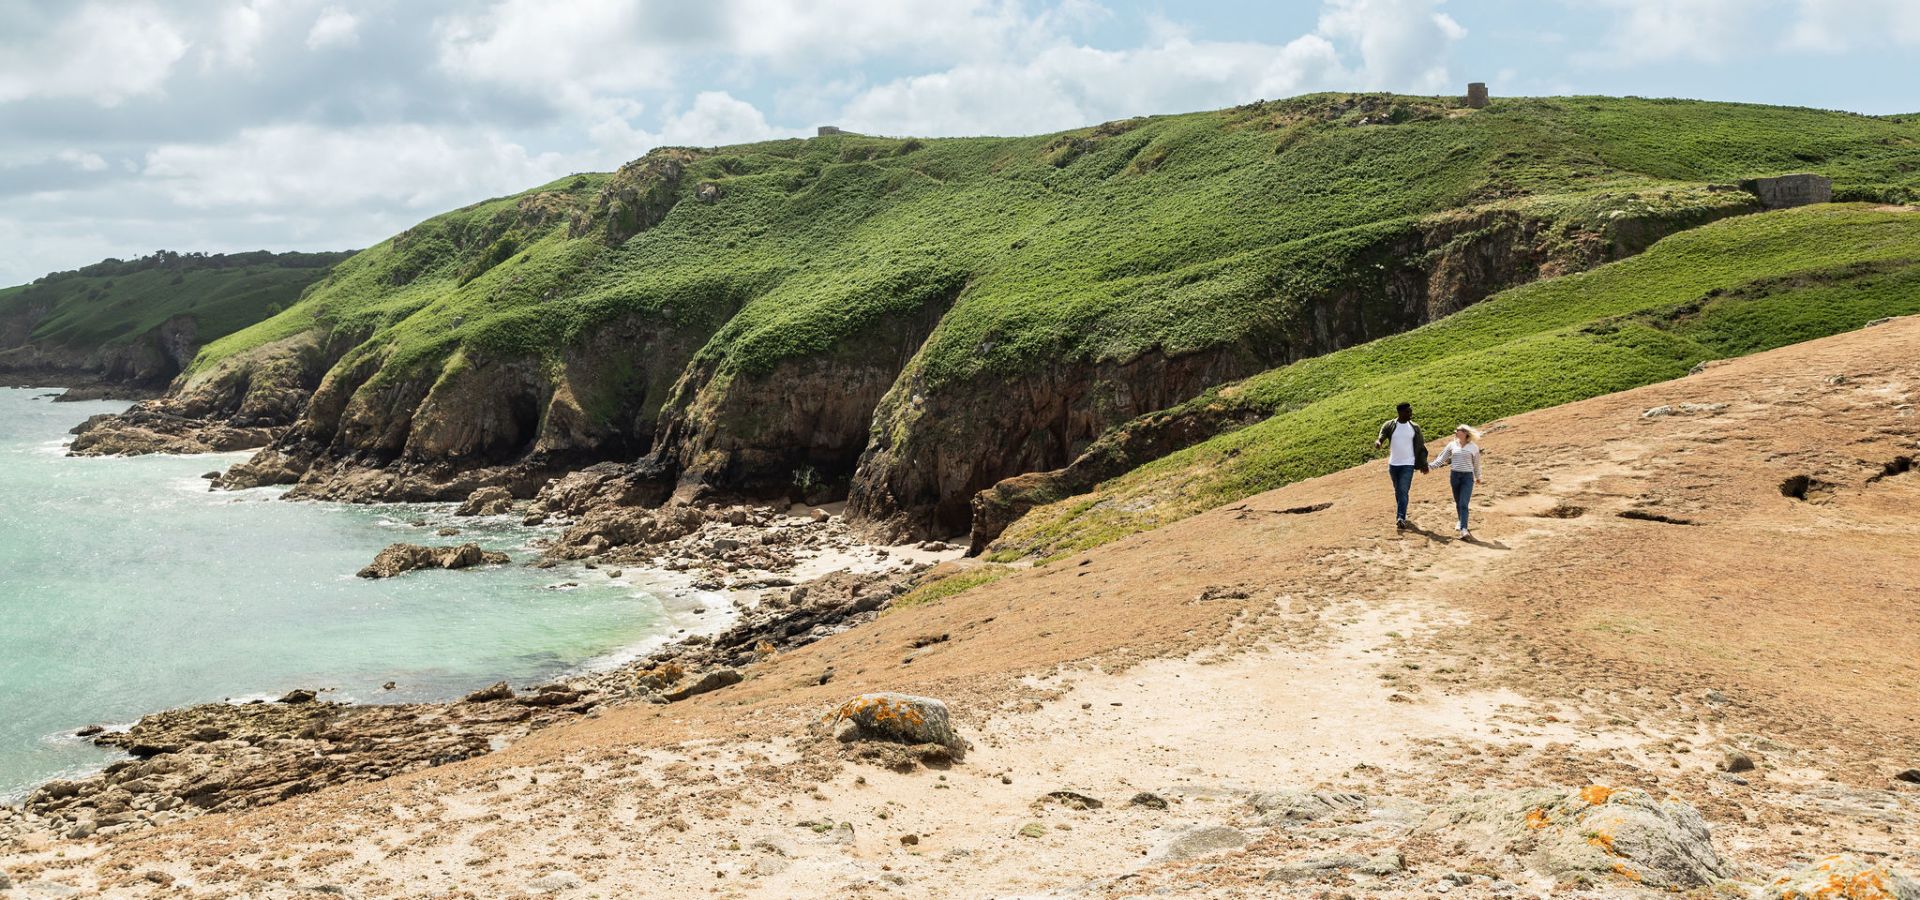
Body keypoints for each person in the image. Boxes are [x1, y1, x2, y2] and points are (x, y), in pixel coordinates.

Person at [1373, 402, 1427, 529]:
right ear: (1400, 412)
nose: (1410, 414)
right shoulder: (1390, 425)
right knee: (1398, 491)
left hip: (1408, 464)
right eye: (1408, 412)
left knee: (1403, 490)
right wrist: (1379, 442)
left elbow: (1421, 447)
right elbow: (1382, 436)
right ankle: (1401, 512)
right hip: (1393, 464)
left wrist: (1423, 463)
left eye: (1411, 411)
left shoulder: (1415, 428)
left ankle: (1401, 517)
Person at [1429, 424, 1486, 539]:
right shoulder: (1452, 445)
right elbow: (1441, 459)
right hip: (1454, 476)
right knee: (1458, 501)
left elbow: (1476, 464)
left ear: (1465, 433)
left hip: (1467, 477)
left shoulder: (1473, 447)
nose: (1456, 432)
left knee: (1463, 503)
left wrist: (1478, 477)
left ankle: (1464, 529)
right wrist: (1429, 467)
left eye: (1458, 431)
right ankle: (1460, 521)